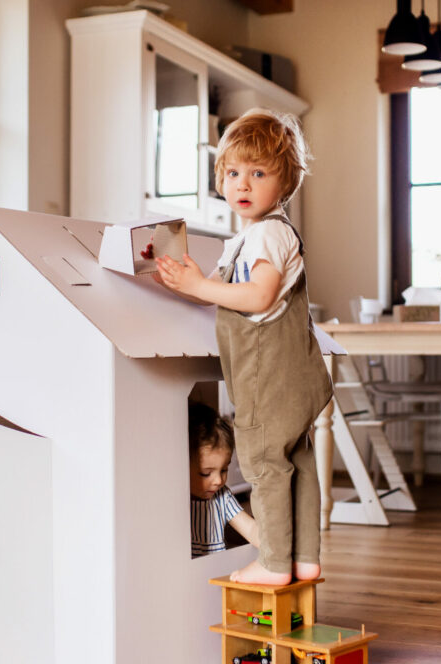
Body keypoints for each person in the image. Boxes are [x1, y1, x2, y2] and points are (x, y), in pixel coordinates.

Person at [155, 108, 332, 585]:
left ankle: (275, 563)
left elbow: (258, 295)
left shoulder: (268, 234)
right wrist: (187, 282)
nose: (243, 184)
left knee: (264, 466)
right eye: (233, 173)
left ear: (286, 181)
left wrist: (199, 287)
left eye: (258, 173)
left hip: (269, 378)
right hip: (296, 377)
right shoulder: (246, 240)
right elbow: (216, 288)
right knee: (299, 461)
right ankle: (305, 557)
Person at [189, 401, 258, 557]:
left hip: (216, 573)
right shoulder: (177, 500)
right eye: (206, 473)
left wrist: (278, 550)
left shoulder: (222, 497)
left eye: (224, 469)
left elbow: (250, 529)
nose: (219, 481)